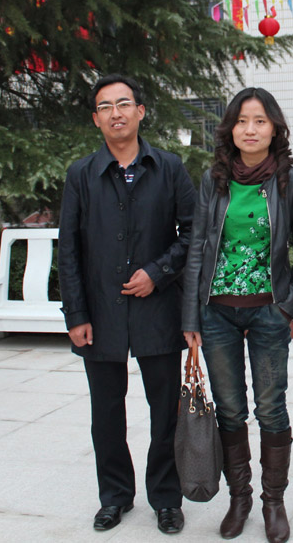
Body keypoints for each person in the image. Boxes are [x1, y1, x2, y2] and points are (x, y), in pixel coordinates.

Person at [58, 74, 196, 534]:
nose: (115, 113)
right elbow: (69, 249)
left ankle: (166, 498)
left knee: (165, 412)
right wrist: (76, 314)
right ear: (95, 119)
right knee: (106, 415)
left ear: (140, 111)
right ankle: (115, 496)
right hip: (101, 312)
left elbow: (193, 233)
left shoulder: (169, 167)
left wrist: (158, 272)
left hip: (159, 310)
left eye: (123, 104)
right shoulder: (81, 174)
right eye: (105, 107)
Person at [181, 87, 293, 543]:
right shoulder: (213, 179)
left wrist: (288, 305)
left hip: (268, 314)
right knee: (231, 409)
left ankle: (273, 502)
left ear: (274, 128)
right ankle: (239, 499)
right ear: (230, 129)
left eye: (259, 121)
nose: (250, 129)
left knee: (271, 408)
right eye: (242, 121)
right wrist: (191, 317)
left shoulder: (290, 181)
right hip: (216, 314)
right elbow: (198, 248)